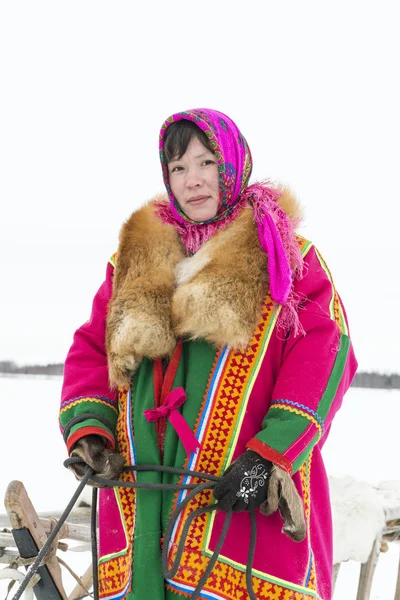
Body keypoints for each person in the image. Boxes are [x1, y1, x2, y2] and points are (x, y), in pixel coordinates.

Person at [60, 108, 357, 600]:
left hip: (243, 491)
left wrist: (269, 457)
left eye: (206, 163)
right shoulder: (132, 262)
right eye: (178, 168)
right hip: (142, 489)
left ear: (232, 165)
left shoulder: (287, 256)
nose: (193, 180)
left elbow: (326, 352)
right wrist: (89, 430)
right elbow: (91, 347)